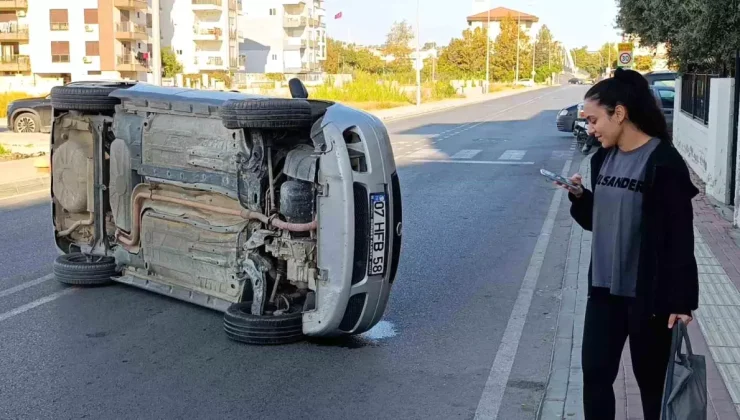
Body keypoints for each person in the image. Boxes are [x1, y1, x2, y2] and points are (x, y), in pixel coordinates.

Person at [554, 68, 700, 420]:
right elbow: (598, 221)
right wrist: (580, 197)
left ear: (619, 113)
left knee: (651, 386)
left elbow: (680, 235)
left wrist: (682, 301)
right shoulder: (603, 159)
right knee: (595, 376)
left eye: (593, 120)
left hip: (647, 296)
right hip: (603, 291)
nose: (590, 128)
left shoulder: (663, 161)